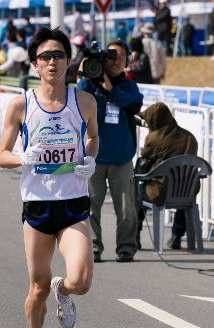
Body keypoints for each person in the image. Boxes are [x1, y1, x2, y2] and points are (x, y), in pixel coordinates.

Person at [0, 27, 98, 328]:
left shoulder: (83, 100)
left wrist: (90, 158)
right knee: (37, 287)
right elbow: (2, 155)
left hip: (73, 202)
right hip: (38, 204)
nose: (52, 61)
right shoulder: (21, 104)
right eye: (45, 56)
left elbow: (93, 137)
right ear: (35, 64)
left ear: (70, 61)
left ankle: (64, 290)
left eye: (58, 55)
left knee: (82, 280)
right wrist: (23, 158)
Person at [77, 40, 143, 263]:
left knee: (126, 209)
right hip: (92, 156)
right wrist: (84, 75)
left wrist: (110, 88)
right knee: (90, 206)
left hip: (122, 157)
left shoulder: (129, 87)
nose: (116, 61)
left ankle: (126, 247)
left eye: (121, 57)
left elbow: (133, 105)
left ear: (127, 61)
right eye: (111, 56)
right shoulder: (89, 86)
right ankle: (93, 247)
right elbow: (76, 102)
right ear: (103, 59)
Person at [136, 102, 198, 250]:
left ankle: (135, 233)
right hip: (187, 192)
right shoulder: (190, 137)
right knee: (182, 193)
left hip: (160, 192)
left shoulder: (154, 138)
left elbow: (144, 160)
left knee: (137, 190)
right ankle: (177, 235)